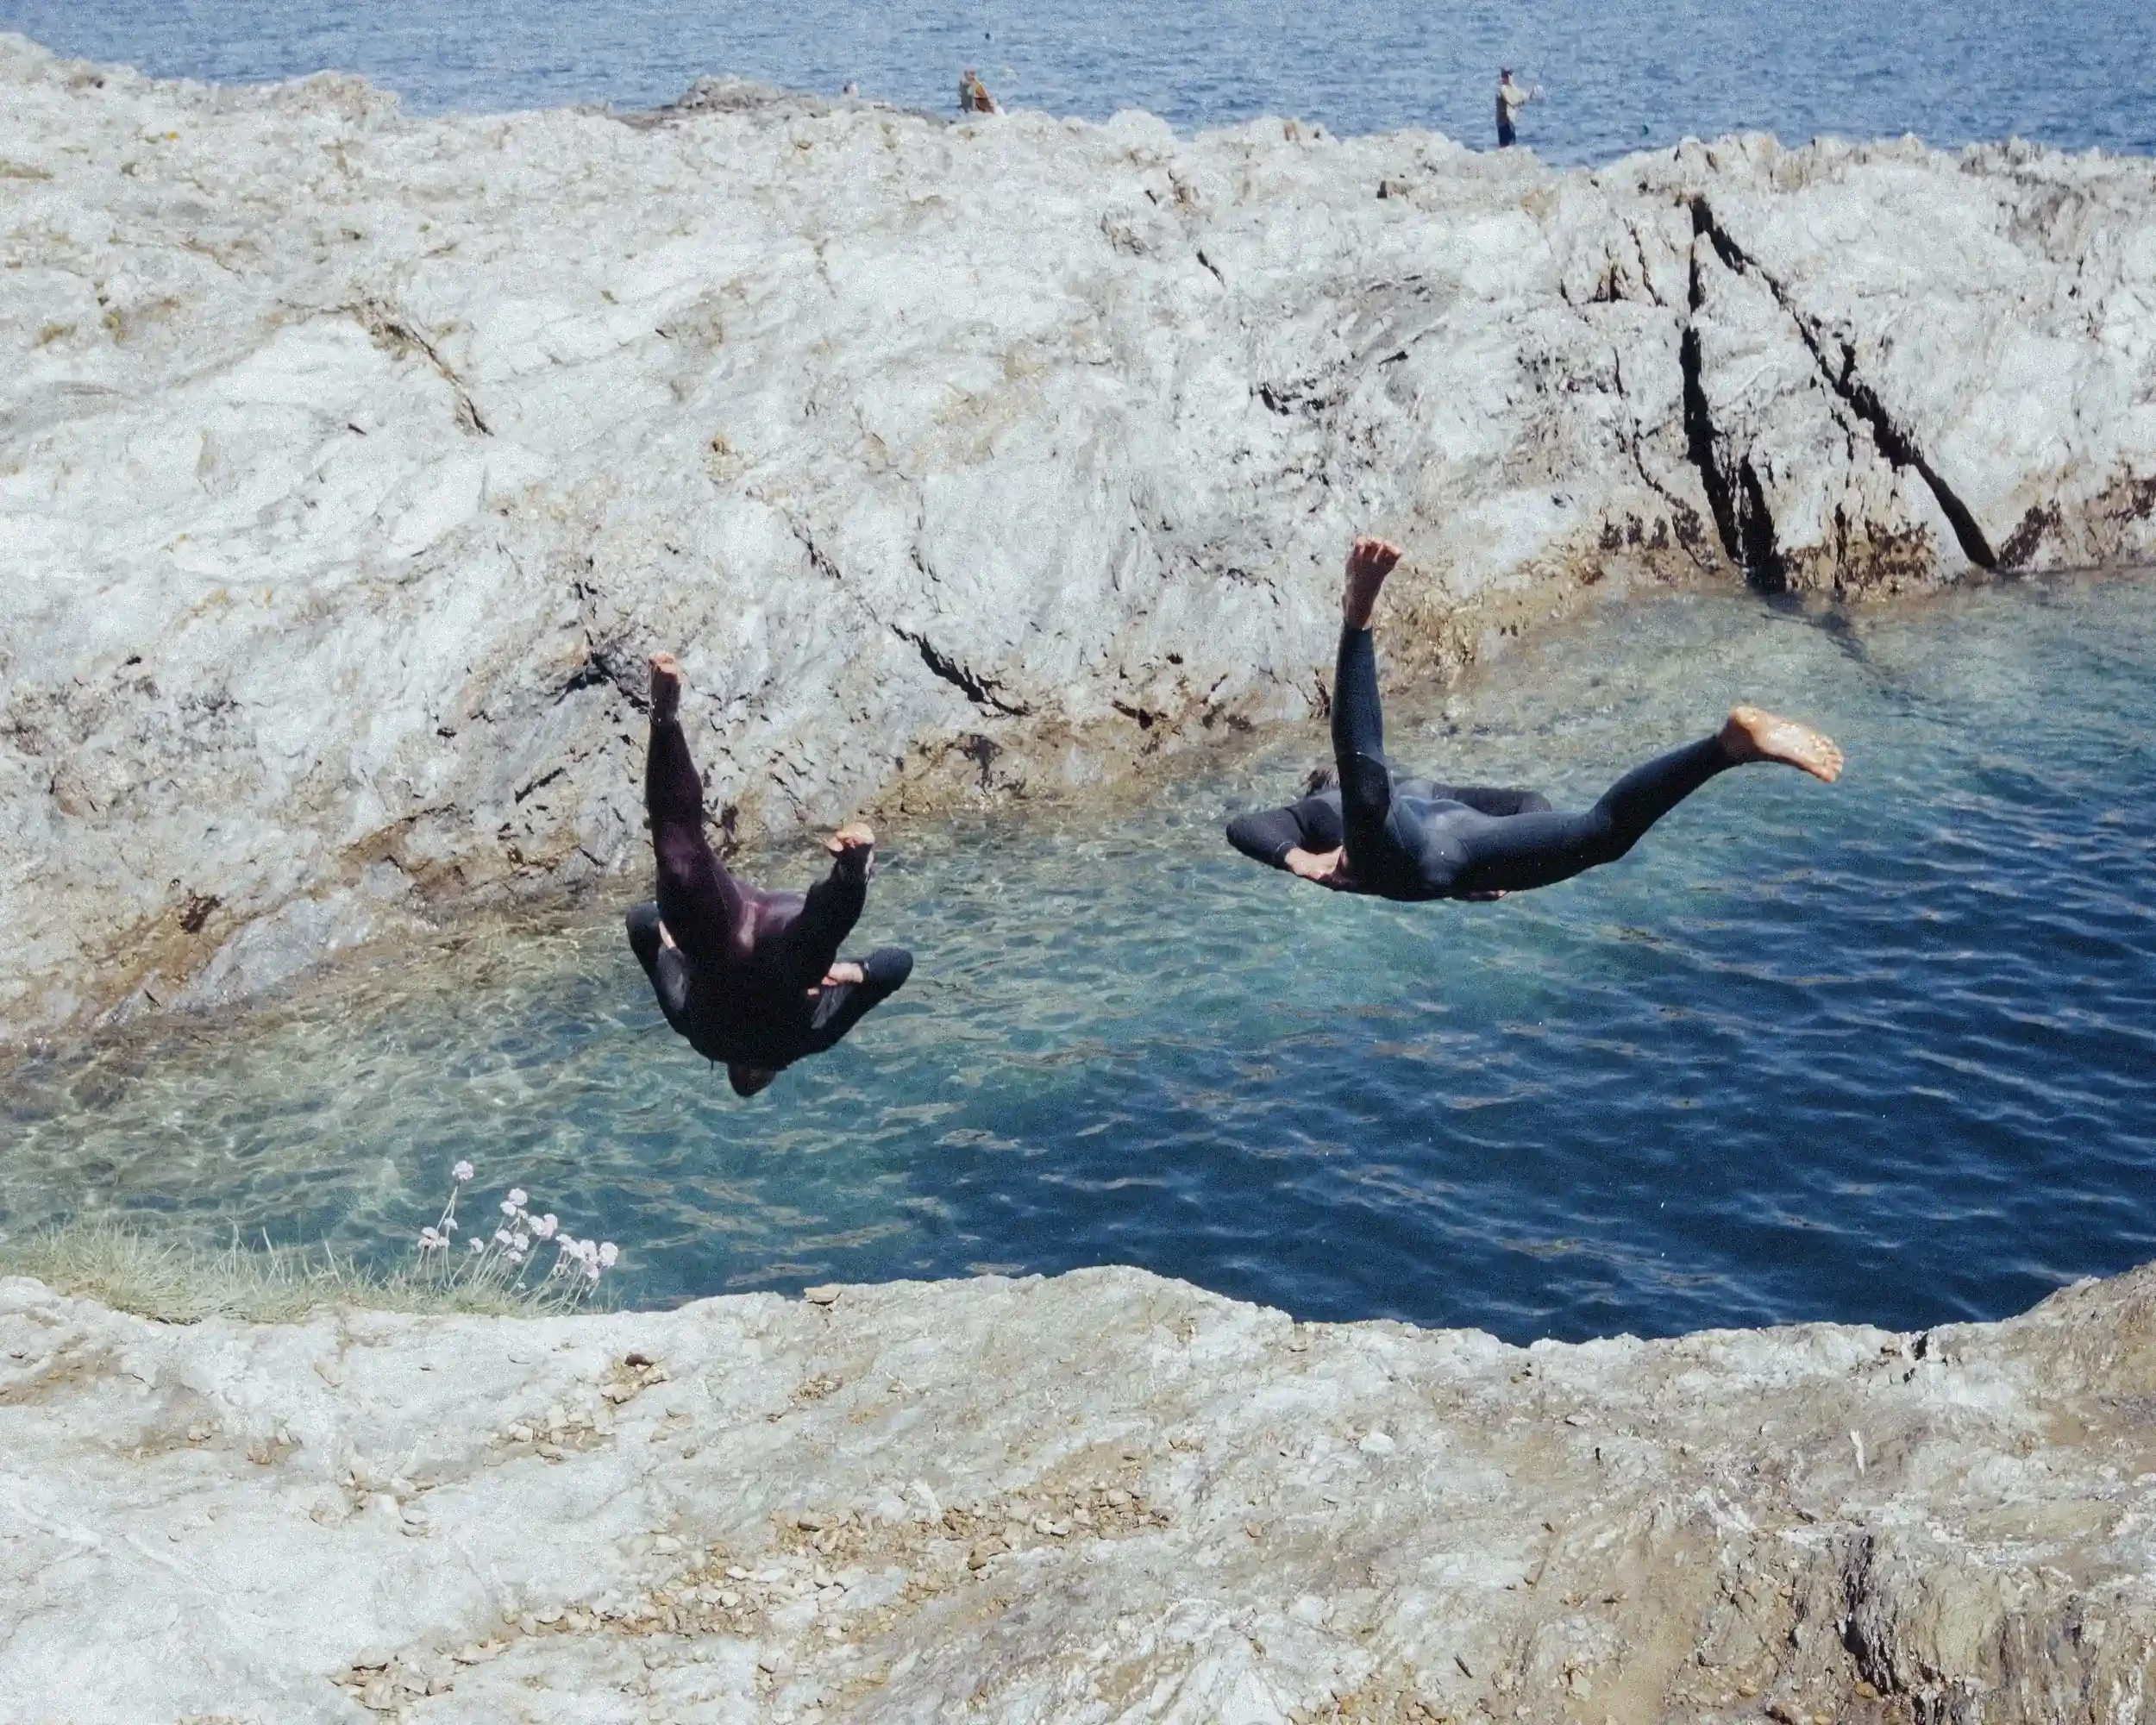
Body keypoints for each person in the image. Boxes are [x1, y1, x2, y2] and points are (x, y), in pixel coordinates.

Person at [1225, 538, 1843, 902]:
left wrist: (1299, 860)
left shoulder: (1319, 812)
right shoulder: (1421, 792)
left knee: (1367, 787)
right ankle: (1724, 747)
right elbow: (1525, 801)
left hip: (1421, 858)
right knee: (1599, 834)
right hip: (1468, 852)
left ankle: (1357, 613)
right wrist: (1519, 852)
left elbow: (1246, 826)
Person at [626, 652, 913, 1097]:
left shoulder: (810, 1038)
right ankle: (664, 722)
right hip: (717, 942)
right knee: (678, 856)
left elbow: (897, 966)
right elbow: (641, 921)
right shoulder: (695, 1030)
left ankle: (852, 873)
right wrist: (672, 945)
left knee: (819, 934)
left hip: (786, 957)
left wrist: (852, 972)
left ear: (768, 1075)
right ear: (729, 1071)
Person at [1495, 68, 1535, 148]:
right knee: (1506, 148)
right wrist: (1521, 102)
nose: (1509, 77)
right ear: (1503, 77)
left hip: (1510, 122)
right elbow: (1512, 102)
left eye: (1510, 75)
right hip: (1504, 124)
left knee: (1511, 147)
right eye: (1506, 75)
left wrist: (1531, 94)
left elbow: (1522, 95)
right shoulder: (1502, 89)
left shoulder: (1513, 88)